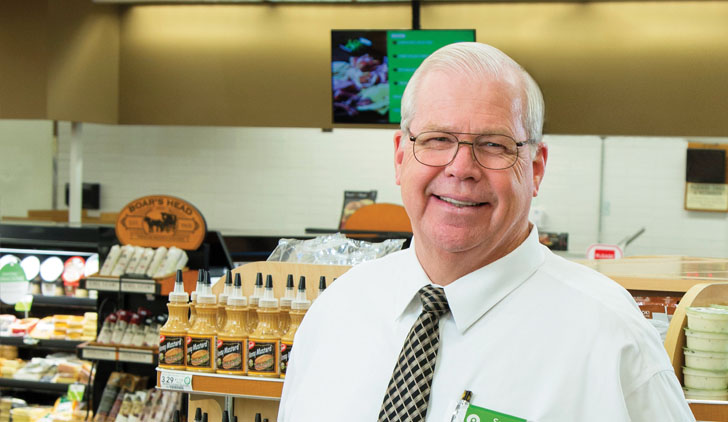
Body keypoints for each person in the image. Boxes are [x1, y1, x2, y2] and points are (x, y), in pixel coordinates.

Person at [278, 42, 694, 421]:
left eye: (494, 144)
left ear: (535, 169)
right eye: (438, 139)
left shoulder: (611, 340)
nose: (460, 168)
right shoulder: (336, 313)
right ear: (400, 156)